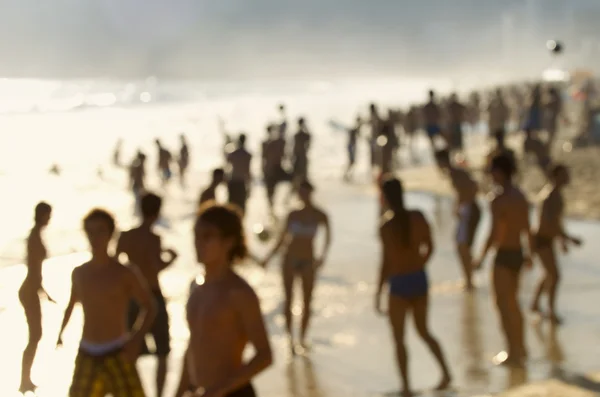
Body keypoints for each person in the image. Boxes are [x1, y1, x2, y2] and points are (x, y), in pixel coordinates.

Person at [175, 203, 273, 397]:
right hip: (198, 392)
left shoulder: (239, 293)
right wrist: (178, 392)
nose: (198, 243)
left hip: (232, 393)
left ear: (228, 242)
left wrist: (219, 390)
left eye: (207, 236)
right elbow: (193, 344)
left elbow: (265, 355)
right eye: (196, 235)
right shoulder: (195, 286)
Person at [57, 209, 156, 397]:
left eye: (100, 231)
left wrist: (136, 338)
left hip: (117, 351)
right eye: (90, 232)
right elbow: (71, 304)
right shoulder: (79, 273)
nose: (95, 237)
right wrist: (60, 333)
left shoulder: (124, 272)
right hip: (87, 351)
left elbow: (150, 306)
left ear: (111, 234)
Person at [375, 177, 451, 397]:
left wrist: (378, 291)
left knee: (399, 338)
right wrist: (419, 264)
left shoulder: (386, 225)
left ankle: (406, 386)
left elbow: (385, 262)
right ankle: (446, 373)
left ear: (385, 197)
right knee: (424, 331)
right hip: (418, 278)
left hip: (398, 282)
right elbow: (430, 247)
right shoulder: (417, 216)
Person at [473, 153, 534, 367]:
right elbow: (527, 228)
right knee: (514, 303)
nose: (490, 175)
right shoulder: (520, 195)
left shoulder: (497, 199)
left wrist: (480, 258)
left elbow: (494, 234)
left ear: (499, 172)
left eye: (492, 171)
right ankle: (522, 347)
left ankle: (512, 351)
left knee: (501, 304)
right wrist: (529, 254)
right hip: (518, 252)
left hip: (503, 255)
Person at [116, 193, 178, 397]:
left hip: (130, 297)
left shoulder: (126, 236)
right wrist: (171, 258)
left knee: (131, 349)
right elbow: (155, 267)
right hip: (152, 295)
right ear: (157, 212)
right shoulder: (153, 239)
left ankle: (133, 391)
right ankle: (158, 395)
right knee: (162, 352)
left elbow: (116, 265)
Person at [261, 180, 331, 354]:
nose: (302, 195)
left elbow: (329, 237)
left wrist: (322, 257)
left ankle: (302, 338)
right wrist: (268, 258)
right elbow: (282, 239)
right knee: (289, 299)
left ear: (310, 193)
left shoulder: (320, 214)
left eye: (304, 192)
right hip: (290, 259)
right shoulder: (293, 214)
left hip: (308, 260)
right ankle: (290, 339)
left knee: (307, 300)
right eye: (300, 192)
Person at [530, 165, 582, 324]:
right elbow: (549, 223)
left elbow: (556, 222)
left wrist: (561, 240)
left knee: (548, 273)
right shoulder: (551, 196)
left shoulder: (556, 194)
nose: (567, 177)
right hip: (541, 239)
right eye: (564, 174)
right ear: (555, 177)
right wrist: (568, 238)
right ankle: (551, 312)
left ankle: (535, 304)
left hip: (547, 238)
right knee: (554, 275)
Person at [19, 202, 54, 393]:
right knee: (35, 335)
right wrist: (39, 289)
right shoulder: (34, 236)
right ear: (41, 215)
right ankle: (24, 380)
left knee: (36, 335)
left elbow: (36, 271)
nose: (50, 218)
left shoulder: (36, 234)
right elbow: (33, 269)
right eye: (48, 215)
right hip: (29, 290)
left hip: (33, 289)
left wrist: (44, 292)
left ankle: (26, 379)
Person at [435, 149, 480, 290]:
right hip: (469, 209)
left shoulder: (455, 173)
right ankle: (469, 279)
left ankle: (469, 281)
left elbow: (471, 188)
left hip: (470, 210)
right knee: (463, 245)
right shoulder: (455, 173)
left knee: (462, 246)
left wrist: (461, 206)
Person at [262, 126, 288, 212]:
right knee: (270, 192)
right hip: (271, 171)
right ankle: (272, 209)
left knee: (271, 191)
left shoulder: (274, 142)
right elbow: (264, 157)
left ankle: (283, 203)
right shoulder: (268, 143)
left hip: (274, 170)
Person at [226, 134, 252, 215]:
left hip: (233, 181)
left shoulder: (233, 153)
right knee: (241, 206)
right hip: (241, 182)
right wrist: (249, 186)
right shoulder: (247, 155)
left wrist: (227, 143)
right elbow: (247, 171)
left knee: (231, 205)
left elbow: (227, 164)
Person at [291, 118, 311, 183]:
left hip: (299, 156)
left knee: (299, 174)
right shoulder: (299, 135)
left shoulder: (298, 135)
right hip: (300, 156)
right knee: (300, 174)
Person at [344, 116, 362, 181]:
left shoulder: (355, 128)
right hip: (351, 147)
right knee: (351, 162)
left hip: (351, 147)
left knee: (352, 162)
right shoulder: (354, 129)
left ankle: (348, 175)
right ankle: (346, 175)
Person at [129, 151, 147, 215]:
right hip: (137, 186)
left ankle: (136, 213)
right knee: (138, 201)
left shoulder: (137, 165)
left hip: (136, 186)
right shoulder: (139, 166)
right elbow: (138, 178)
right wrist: (142, 187)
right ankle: (137, 213)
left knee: (138, 201)